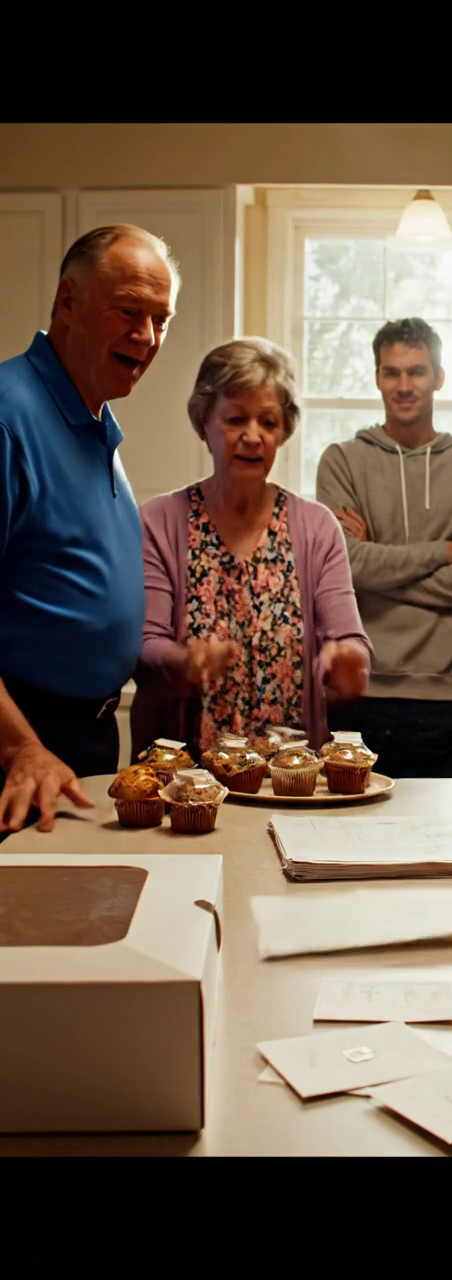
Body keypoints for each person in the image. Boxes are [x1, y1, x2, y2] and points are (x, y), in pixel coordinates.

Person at [0, 224, 179, 834]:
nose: (148, 337)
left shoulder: (93, 418)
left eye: (162, 320)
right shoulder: (8, 414)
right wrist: (20, 747)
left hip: (88, 738)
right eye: (129, 311)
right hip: (22, 747)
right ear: (67, 303)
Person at [131, 337, 370, 757]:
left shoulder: (316, 528)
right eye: (236, 419)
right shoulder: (158, 521)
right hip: (183, 781)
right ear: (204, 423)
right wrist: (184, 661)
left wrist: (348, 660)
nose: (253, 437)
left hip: (288, 777)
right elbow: (144, 644)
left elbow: (349, 639)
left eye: (269, 422)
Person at [315, 317, 452, 778]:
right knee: (350, 849)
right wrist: (444, 550)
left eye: (417, 372)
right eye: (392, 372)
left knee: (442, 850)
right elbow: (345, 568)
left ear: (439, 378)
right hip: (358, 696)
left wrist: (374, 565)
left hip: (445, 704)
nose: (404, 385)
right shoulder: (342, 461)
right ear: (378, 377)